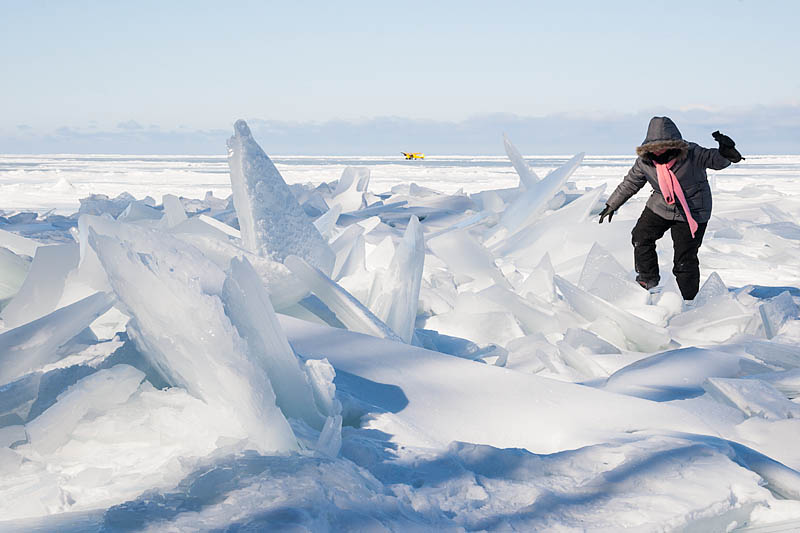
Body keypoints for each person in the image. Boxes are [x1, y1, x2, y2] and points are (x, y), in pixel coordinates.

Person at [597, 116, 743, 300]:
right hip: (661, 205)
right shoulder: (644, 161)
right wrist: (612, 203)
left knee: (684, 260)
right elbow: (631, 182)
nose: (658, 151)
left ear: (674, 144)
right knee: (641, 236)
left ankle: (689, 301)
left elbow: (715, 160)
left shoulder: (692, 153)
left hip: (693, 210)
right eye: (654, 147)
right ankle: (647, 279)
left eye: (663, 145)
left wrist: (727, 153)